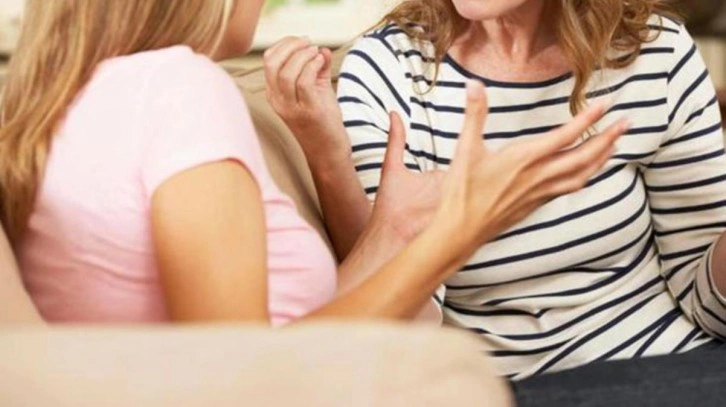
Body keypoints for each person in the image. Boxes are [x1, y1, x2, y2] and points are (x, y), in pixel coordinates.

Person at [0, 0, 621, 330]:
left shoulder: (64, 100)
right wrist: (463, 228)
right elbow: (248, 380)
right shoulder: (177, 88)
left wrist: (392, 232)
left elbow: (269, 345)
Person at [263, 0, 726, 387]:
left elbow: (708, 305)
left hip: (681, 362)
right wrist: (332, 163)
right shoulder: (389, 70)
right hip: (515, 387)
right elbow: (406, 328)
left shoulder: (657, 50)